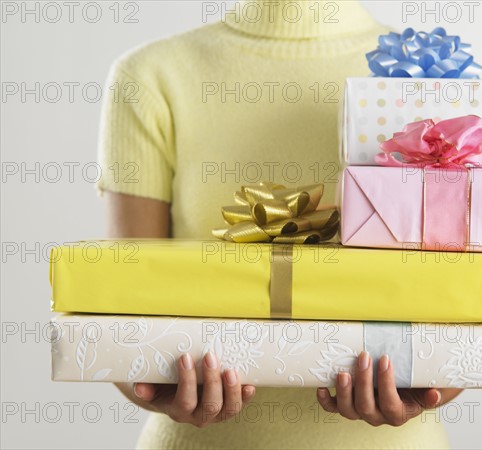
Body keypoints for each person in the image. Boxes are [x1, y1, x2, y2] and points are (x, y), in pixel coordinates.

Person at [98, 1, 461, 448]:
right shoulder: (149, 76)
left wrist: (425, 386)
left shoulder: (433, 73)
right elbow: (118, 318)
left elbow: (464, 316)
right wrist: (161, 390)